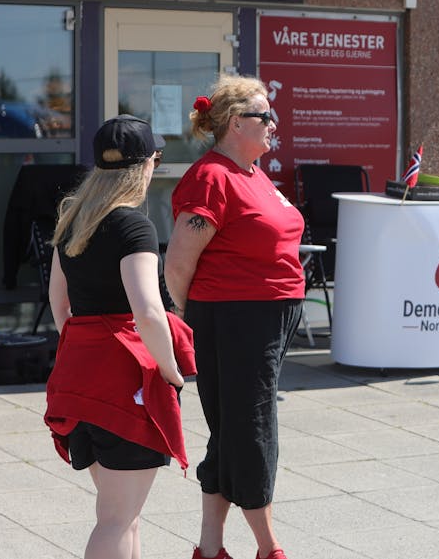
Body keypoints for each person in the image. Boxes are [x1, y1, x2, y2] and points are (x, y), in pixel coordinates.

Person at [164, 75, 304, 559]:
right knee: (252, 431)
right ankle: (270, 548)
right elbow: (178, 263)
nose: (273, 124)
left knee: (232, 431)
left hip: (263, 319)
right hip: (235, 320)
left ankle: (209, 548)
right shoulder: (212, 176)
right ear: (232, 123)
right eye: (264, 116)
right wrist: (189, 319)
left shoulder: (251, 172)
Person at [44, 115, 193, 559]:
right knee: (117, 518)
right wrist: (172, 372)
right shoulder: (133, 226)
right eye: (156, 158)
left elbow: (60, 306)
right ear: (145, 165)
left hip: (79, 378)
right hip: (123, 382)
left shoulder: (72, 221)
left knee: (122, 515)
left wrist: (84, 352)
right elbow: (148, 312)